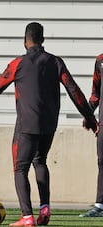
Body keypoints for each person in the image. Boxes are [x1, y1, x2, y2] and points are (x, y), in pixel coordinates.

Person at [0, 22, 98, 226]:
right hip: (49, 124)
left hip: (26, 125)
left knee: (20, 169)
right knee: (40, 161)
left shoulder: (19, 63)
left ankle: (27, 217)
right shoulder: (55, 62)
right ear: (43, 40)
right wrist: (90, 117)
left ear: (25, 41)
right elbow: (73, 90)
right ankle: (45, 210)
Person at [79, 50, 103, 217]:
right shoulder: (100, 61)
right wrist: (88, 114)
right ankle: (100, 205)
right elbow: (96, 93)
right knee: (102, 162)